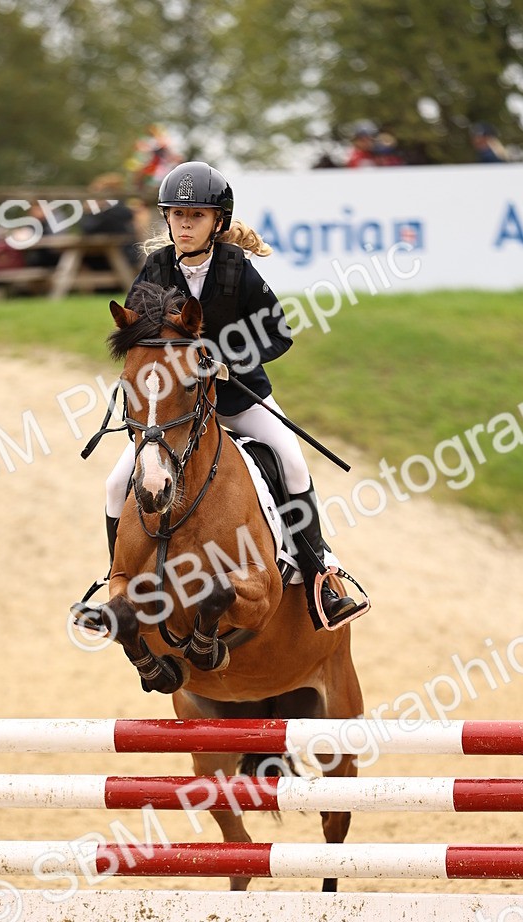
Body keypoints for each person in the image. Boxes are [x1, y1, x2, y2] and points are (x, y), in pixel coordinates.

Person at [103, 159, 364, 630]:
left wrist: (229, 360)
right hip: (178, 412)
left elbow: (279, 334)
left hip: (239, 400)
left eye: (196, 215)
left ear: (217, 221)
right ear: (166, 218)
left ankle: (321, 573)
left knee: (292, 460)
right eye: (177, 214)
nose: (184, 224)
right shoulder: (156, 268)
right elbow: (138, 337)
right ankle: (113, 579)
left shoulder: (235, 268)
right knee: (115, 483)